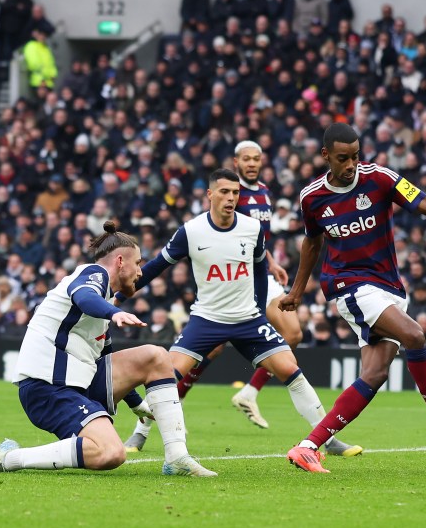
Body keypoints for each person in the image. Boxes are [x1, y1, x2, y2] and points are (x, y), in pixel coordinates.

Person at [126, 142, 361, 457]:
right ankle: (139, 435)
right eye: (224, 192)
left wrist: (260, 312)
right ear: (210, 194)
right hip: (207, 319)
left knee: (291, 369)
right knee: (166, 375)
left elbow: (261, 268)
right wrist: (123, 290)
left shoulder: (252, 228)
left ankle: (327, 439)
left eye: (235, 193)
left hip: (247, 319)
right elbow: (156, 266)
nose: (230, 198)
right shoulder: (191, 231)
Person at [283, 123, 426, 473]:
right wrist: (297, 291)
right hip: (349, 286)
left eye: (355, 155)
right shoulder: (312, 198)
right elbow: (312, 242)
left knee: (374, 374)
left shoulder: (380, 178)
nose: (351, 163)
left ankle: (308, 446)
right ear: (326, 156)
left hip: (389, 288)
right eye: (343, 158)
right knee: (414, 335)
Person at [0, 222, 215, 477]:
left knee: (156, 356)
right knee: (111, 453)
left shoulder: (103, 301)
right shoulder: (93, 274)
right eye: (137, 263)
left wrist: (136, 403)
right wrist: (115, 312)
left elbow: (105, 357)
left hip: (78, 382)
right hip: (47, 387)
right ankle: (8, 458)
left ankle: (177, 458)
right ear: (119, 261)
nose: (140, 272)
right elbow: (83, 296)